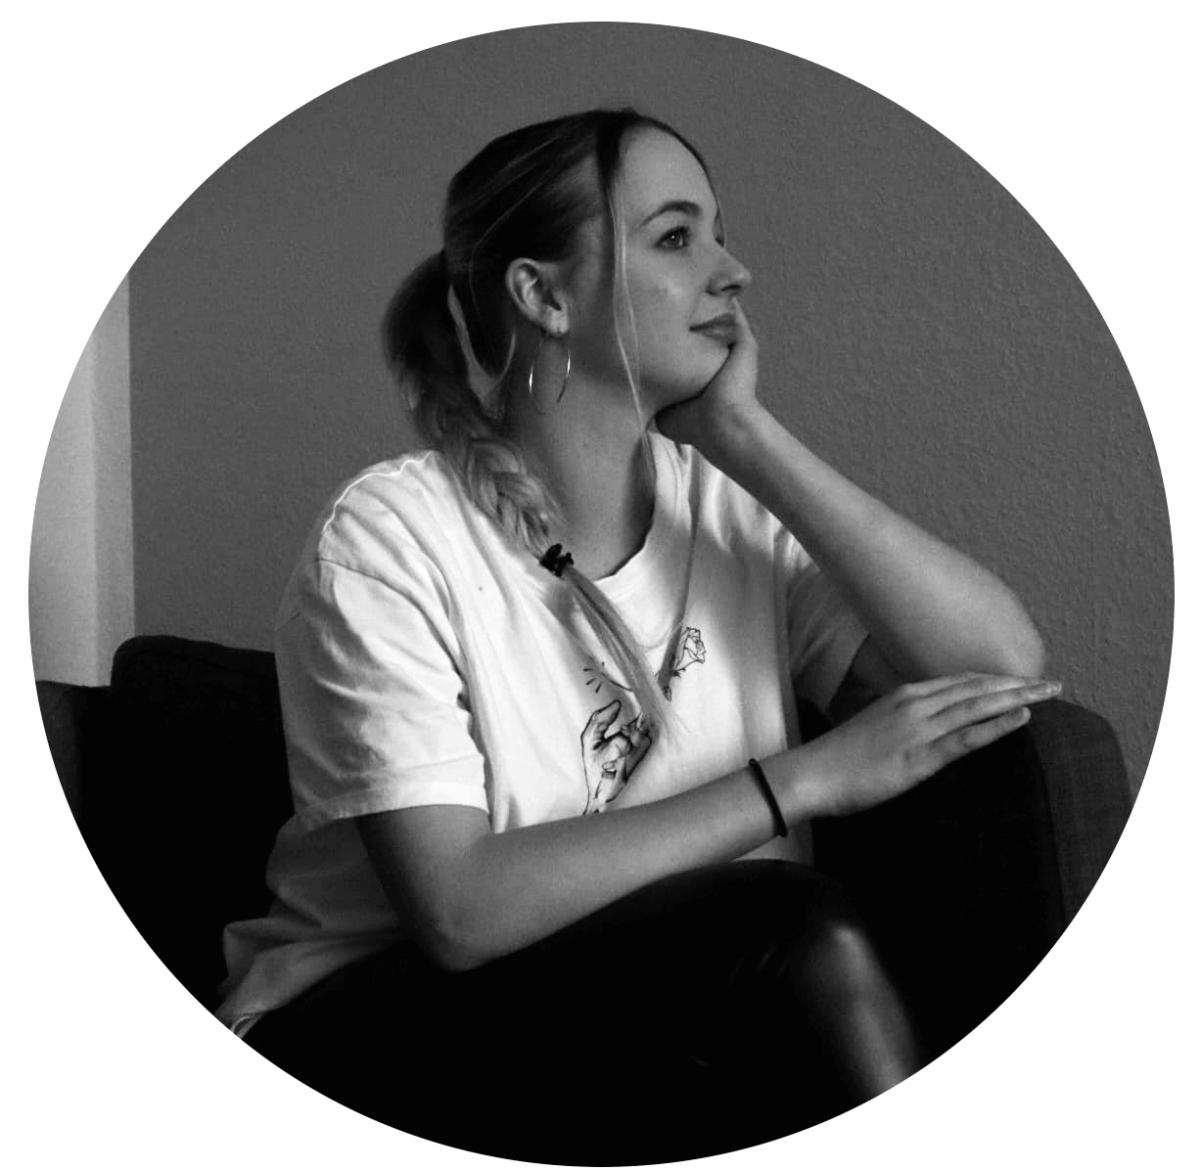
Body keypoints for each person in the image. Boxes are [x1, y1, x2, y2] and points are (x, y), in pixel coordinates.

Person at [217, 108, 1056, 1162]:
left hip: (664, 1015)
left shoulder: (722, 505)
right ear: (544, 296)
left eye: (719, 234)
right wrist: (801, 781)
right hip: (360, 1033)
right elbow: (459, 912)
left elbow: (1000, 673)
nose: (734, 271)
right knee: (804, 939)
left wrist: (747, 436)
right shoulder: (387, 538)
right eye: (675, 237)